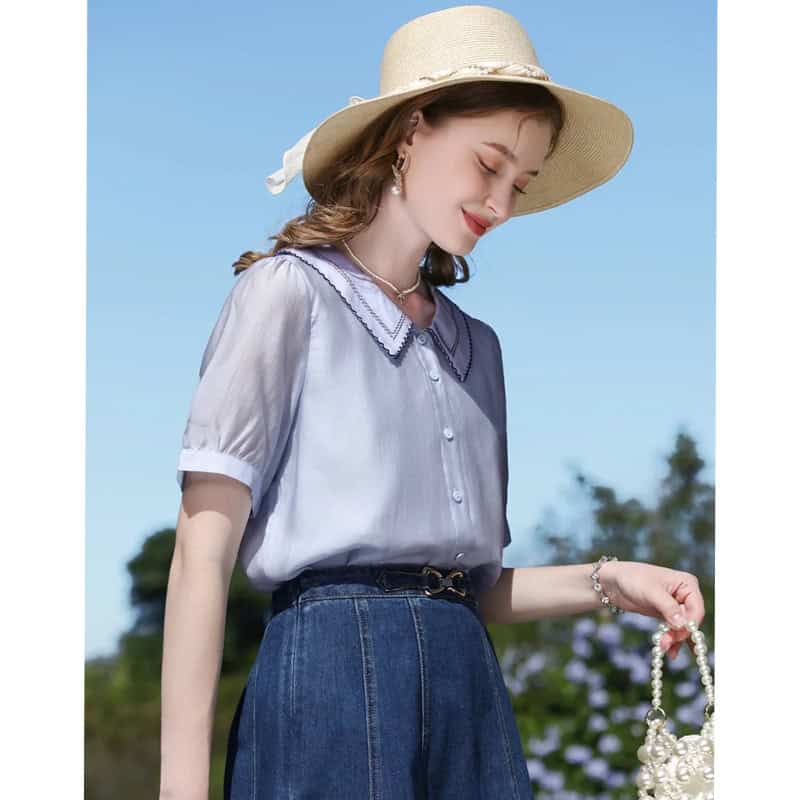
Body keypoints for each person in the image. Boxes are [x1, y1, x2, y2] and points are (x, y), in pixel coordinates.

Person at [159, 5, 707, 799]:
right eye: (488, 164)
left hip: (468, 688)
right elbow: (200, 556)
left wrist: (611, 582)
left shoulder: (478, 348)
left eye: (520, 183)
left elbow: (467, 585)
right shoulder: (286, 296)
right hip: (330, 683)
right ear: (412, 131)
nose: (501, 204)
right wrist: (180, 788)